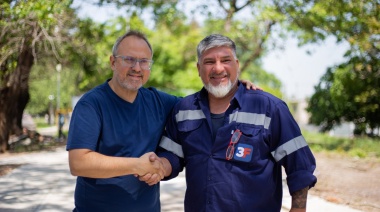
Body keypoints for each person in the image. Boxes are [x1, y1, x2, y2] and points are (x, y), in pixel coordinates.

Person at [66, 30, 258, 211]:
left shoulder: (159, 101)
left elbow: (201, 102)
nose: (137, 68)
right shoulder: (92, 104)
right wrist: (136, 165)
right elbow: (79, 163)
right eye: (129, 60)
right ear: (113, 62)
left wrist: (236, 86)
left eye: (144, 61)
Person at [153, 34, 317, 212]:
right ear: (199, 68)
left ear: (237, 65)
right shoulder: (183, 109)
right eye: (209, 62)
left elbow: (299, 165)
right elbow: (172, 155)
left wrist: (298, 209)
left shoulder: (269, 108)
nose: (218, 68)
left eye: (225, 60)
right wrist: (159, 166)